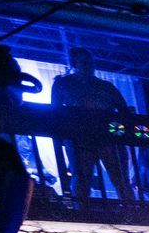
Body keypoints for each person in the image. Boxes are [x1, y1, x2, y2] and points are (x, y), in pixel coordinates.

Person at [51, 49, 135, 201]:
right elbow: (55, 112)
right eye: (84, 62)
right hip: (81, 138)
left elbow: (124, 111)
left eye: (90, 62)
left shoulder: (105, 87)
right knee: (83, 178)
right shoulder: (64, 84)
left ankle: (131, 210)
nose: (89, 65)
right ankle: (82, 211)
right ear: (74, 63)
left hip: (104, 138)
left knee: (118, 177)